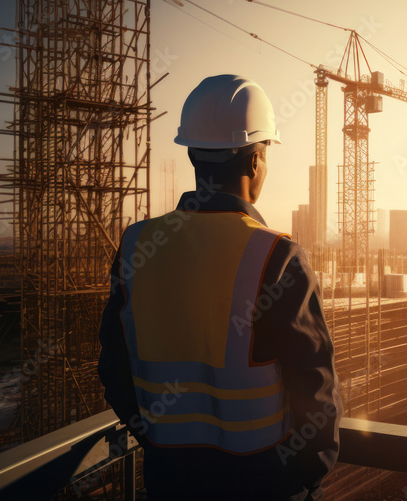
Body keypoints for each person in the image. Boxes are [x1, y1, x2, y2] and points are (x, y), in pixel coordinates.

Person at [98, 74, 342, 500]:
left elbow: (114, 364)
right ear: (254, 162)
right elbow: (314, 386)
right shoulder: (277, 257)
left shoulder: (137, 244)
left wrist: (154, 439)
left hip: (170, 481)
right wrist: (305, 477)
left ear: (192, 154)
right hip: (264, 482)